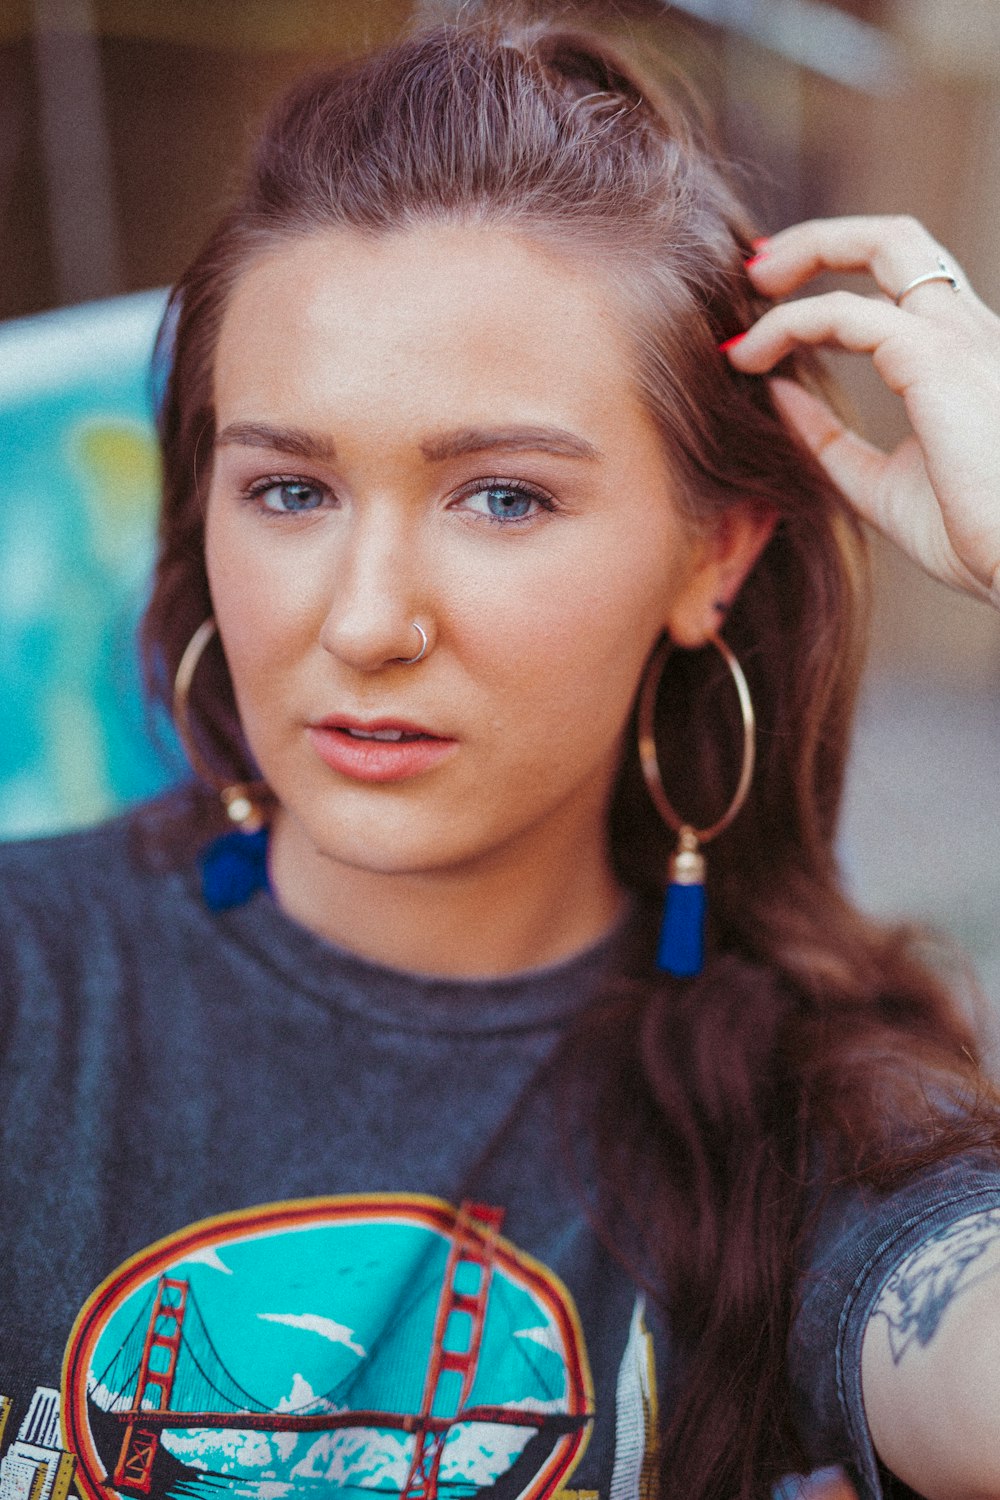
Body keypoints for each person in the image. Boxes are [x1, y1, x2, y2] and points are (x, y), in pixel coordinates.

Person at [2, 16, 1000, 1500]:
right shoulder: (30, 981)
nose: (366, 619)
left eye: (504, 500)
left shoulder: (811, 1116)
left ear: (713, 555)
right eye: (288, 488)